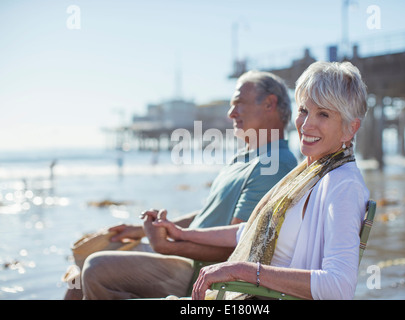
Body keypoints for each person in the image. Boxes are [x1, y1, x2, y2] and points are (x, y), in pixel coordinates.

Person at [149, 61, 370, 300]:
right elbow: (250, 231)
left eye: (323, 114)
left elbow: (339, 286)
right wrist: (182, 233)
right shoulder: (311, 174)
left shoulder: (343, 184)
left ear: (350, 129)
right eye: (304, 110)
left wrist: (244, 271)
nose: (306, 125)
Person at [79, 70, 298, 299]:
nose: (231, 113)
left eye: (239, 103)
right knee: (87, 256)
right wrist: (141, 231)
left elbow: (237, 247)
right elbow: (207, 216)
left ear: (270, 104)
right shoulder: (248, 156)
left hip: (201, 270)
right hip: (187, 256)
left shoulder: (275, 164)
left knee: (96, 268)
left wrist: (169, 246)